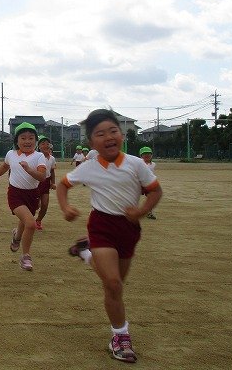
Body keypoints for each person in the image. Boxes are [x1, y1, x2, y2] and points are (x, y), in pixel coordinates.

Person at [57, 109, 162, 364]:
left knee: (115, 285)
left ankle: (85, 252)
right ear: (92, 142)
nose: (108, 137)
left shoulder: (136, 164)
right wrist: (65, 207)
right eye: (100, 134)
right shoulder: (89, 167)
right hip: (101, 226)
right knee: (113, 283)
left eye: (113, 131)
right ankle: (120, 336)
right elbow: (62, 185)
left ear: (122, 135)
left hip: (129, 229)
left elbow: (155, 191)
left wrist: (141, 211)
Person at [0, 122, 47, 271]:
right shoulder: (11, 154)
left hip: (33, 195)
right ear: (17, 141)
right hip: (15, 194)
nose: (27, 141)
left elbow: (42, 177)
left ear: (36, 141)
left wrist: (28, 169)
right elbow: (4, 167)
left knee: (25, 221)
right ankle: (26, 256)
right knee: (31, 223)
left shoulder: (39, 156)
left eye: (31, 138)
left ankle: (16, 237)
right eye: (23, 138)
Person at [35, 136, 56, 231]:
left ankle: (38, 220)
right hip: (36, 183)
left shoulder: (52, 158)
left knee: (45, 204)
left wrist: (53, 183)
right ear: (38, 146)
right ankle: (28, 218)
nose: (45, 145)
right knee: (36, 204)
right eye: (43, 143)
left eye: (47, 144)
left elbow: (52, 171)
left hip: (46, 183)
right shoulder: (36, 157)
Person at [139, 146, 158, 219]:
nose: (147, 155)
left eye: (149, 154)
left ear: (152, 155)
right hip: (139, 184)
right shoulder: (139, 164)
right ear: (141, 156)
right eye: (144, 154)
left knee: (151, 197)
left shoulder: (153, 164)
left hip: (148, 184)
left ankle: (149, 212)